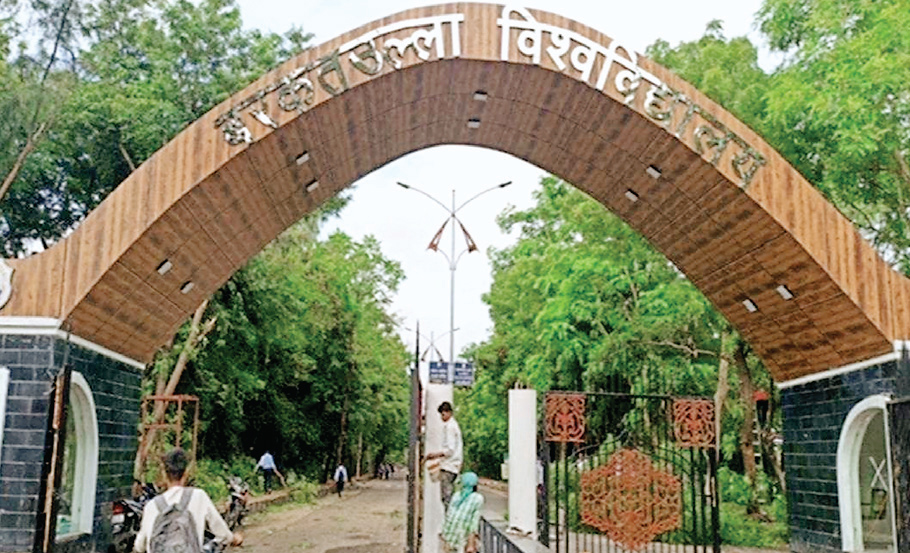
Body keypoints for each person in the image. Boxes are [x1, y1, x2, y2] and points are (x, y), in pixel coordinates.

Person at [134, 448, 242, 552]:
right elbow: (222, 533)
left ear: (164, 474)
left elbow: (139, 546)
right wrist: (234, 539)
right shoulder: (199, 496)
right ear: (186, 473)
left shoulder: (152, 506)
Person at [426, 401, 463, 508]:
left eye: (443, 414)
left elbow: (449, 450)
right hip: (453, 465)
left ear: (449, 413)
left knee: (446, 497)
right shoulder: (453, 426)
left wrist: (435, 455)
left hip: (449, 466)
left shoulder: (450, 427)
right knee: (448, 496)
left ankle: (450, 517)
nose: (442, 417)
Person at [440, 472, 484, 553]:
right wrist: (471, 544)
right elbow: (473, 524)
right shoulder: (477, 498)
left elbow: (449, 516)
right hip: (462, 538)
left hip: (449, 536)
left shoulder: (456, 496)